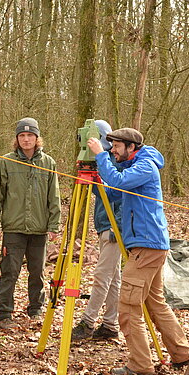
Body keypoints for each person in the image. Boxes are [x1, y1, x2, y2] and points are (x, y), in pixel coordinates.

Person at [87, 128, 189, 375]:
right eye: (111, 147)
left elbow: (118, 182)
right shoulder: (134, 167)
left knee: (128, 306)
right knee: (155, 304)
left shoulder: (145, 167)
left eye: (116, 147)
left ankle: (140, 364)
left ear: (131, 147)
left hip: (146, 245)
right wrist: (95, 179)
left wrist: (100, 156)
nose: (112, 151)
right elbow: (113, 192)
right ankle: (182, 353)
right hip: (147, 244)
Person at [0, 117, 61, 330]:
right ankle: (4, 313)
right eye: (22, 135)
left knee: (37, 271)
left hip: (39, 228)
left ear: (37, 138)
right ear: (17, 138)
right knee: (9, 272)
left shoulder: (48, 163)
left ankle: (36, 309)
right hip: (13, 227)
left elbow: (54, 197)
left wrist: (54, 225)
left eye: (30, 135)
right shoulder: (6, 162)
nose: (26, 139)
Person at [71, 120, 123, 343]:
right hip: (104, 225)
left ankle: (88, 322)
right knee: (113, 278)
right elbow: (101, 194)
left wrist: (115, 226)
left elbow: (120, 195)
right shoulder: (103, 163)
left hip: (113, 228)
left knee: (102, 276)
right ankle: (110, 324)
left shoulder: (114, 163)